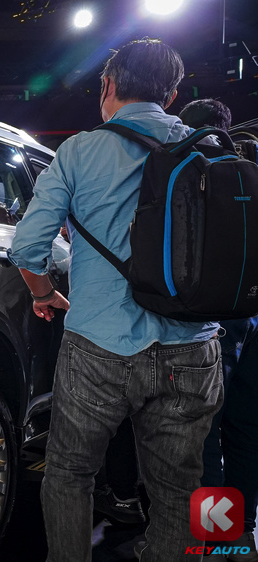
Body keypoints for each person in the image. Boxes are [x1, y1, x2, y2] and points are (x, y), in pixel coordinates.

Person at [10, 39, 223, 562]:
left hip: (98, 345)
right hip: (192, 346)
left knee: (69, 472)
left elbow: (28, 247)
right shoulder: (209, 150)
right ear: (171, 96)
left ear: (107, 85)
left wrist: (45, 294)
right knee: (179, 490)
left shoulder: (79, 151)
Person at [179, 98, 258, 562]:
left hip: (210, 320)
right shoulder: (250, 168)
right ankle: (242, 534)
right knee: (246, 427)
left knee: (205, 431)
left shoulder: (188, 171)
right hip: (253, 314)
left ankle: (214, 539)